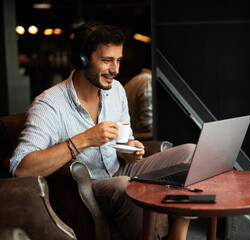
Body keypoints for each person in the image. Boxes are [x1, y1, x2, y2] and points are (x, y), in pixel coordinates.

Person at [9, 20, 195, 240]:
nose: (115, 70)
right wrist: (85, 139)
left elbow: (124, 140)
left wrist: (129, 149)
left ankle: (179, 231)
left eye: (118, 60)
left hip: (121, 170)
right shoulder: (49, 105)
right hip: (88, 185)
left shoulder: (116, 89)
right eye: (107, 60)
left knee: (191, 153)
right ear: (82, 60)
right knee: (123, 186)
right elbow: (20, 169)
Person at [124, 68, 153, 140]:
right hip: (139, 141)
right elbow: (147, 125)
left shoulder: (136, 79)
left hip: (131, 137)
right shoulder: (147, 81)